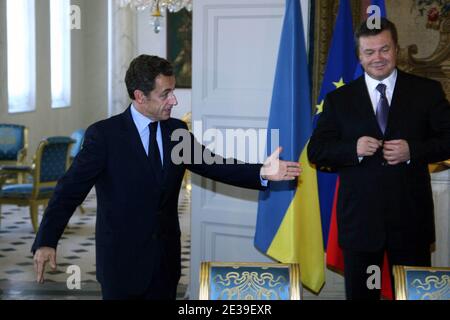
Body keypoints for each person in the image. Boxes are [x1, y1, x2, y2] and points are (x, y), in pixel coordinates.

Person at [32, 55, 301, 300]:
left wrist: (261, 172)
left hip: (165, 265)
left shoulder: (176, 130)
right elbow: (69, 191)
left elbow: (213, 165)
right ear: (139, 96)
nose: (174, 100)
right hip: (121, 267)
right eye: (166, 94)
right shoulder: (104, 136)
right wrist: (46, 240)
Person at [308, 18, 450, 300]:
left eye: (384, 49)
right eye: (369, 52)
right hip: (360, 225)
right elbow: (317, 151)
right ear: (359, 57)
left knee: (413, 296)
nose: (378, 58)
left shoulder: (426, 92)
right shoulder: (339, 100)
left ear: (396, 49)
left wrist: (414, 151)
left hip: (411, 221)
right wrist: (353, 149)